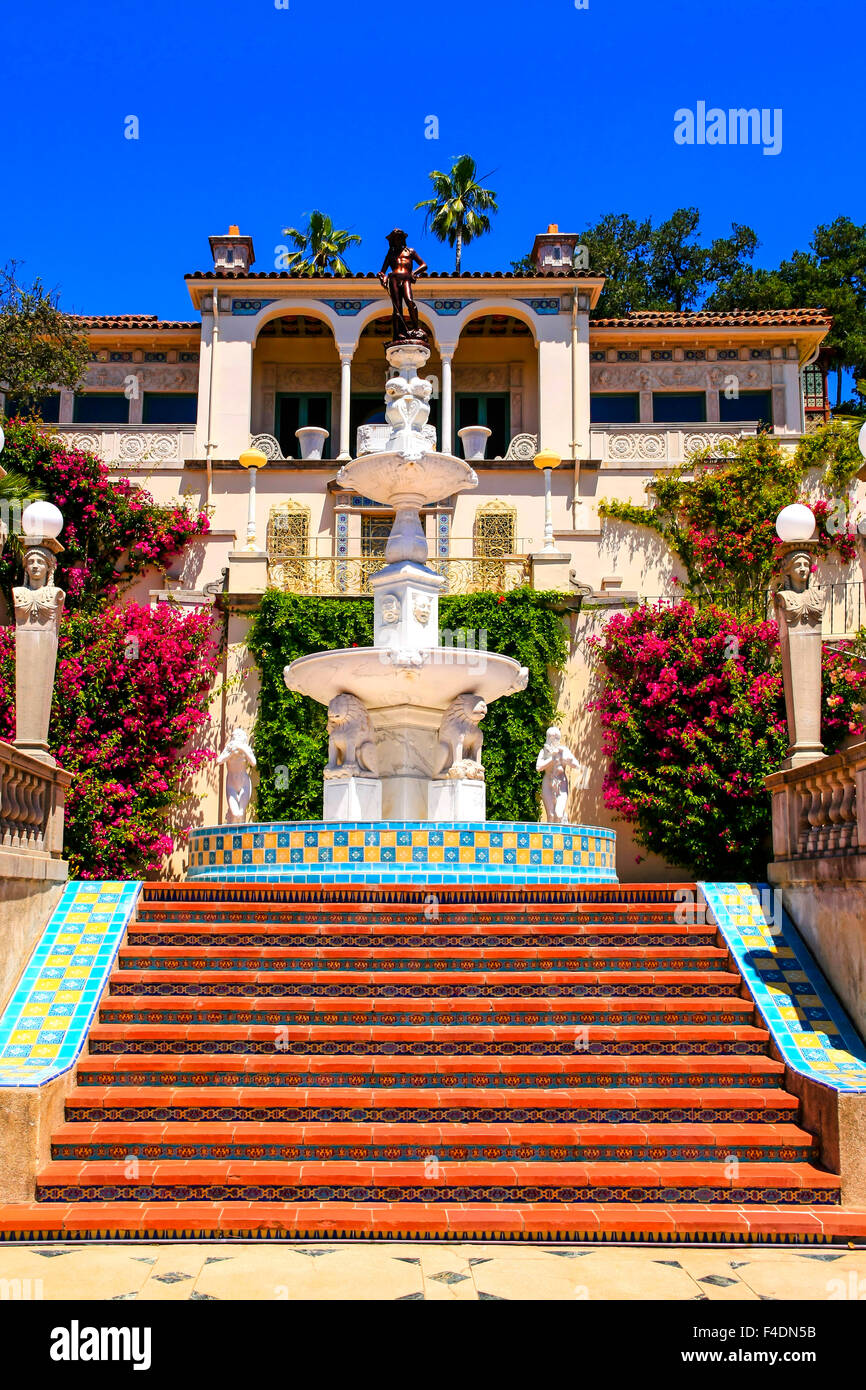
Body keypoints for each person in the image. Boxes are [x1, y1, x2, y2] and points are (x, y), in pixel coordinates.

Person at [379, 229, 428, 342]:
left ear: (403, 239)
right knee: (397, 308)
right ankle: (398, 333)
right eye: (395, 238)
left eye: (399, 237)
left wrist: (414, 273)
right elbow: (383, 271)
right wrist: (383, 277)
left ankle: (416, 328)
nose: (397, 239)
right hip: (394, 279)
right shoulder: (390, 254)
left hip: (406, 278)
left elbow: (424, 265)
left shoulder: (410, 251)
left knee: (410, 301)